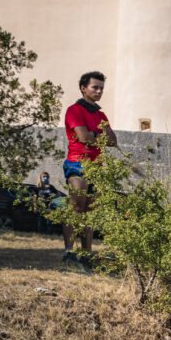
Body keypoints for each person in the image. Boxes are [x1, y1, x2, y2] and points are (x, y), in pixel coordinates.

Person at [62, 71, 117, 267]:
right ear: (83, 88)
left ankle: (87, 253)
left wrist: (93, 134)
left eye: (101, 88)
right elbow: (83, 137)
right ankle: (68, 251)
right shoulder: (74, 110)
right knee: (77, 206)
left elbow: (113, 140)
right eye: (95, 87)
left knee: (90, 211)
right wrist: (97, 133)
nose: (99, 91)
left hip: (97, 166)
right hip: (77, 163)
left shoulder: (101, 114)